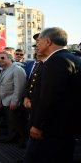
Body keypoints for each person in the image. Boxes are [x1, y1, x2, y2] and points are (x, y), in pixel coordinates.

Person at [24, 27, 81, 163]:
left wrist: (38, 125)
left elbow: (49, 98)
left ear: (48, 42)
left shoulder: (56, 61)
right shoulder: (70, 58)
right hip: (65, 125)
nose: (37, 45)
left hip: (51, 128)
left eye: (39, 41)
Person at [0, 51, 28, 147]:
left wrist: (15, 102)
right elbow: (2, 86)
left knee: (18, 123)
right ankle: (12, 138)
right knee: (11, 122)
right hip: (5, 101)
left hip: (13, 102)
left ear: (10, 58)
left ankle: (23, 142)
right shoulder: (4, 69)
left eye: (3, 58)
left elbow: (20, 88)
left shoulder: (17, 69)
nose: (0, 60)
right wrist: (0, 100)